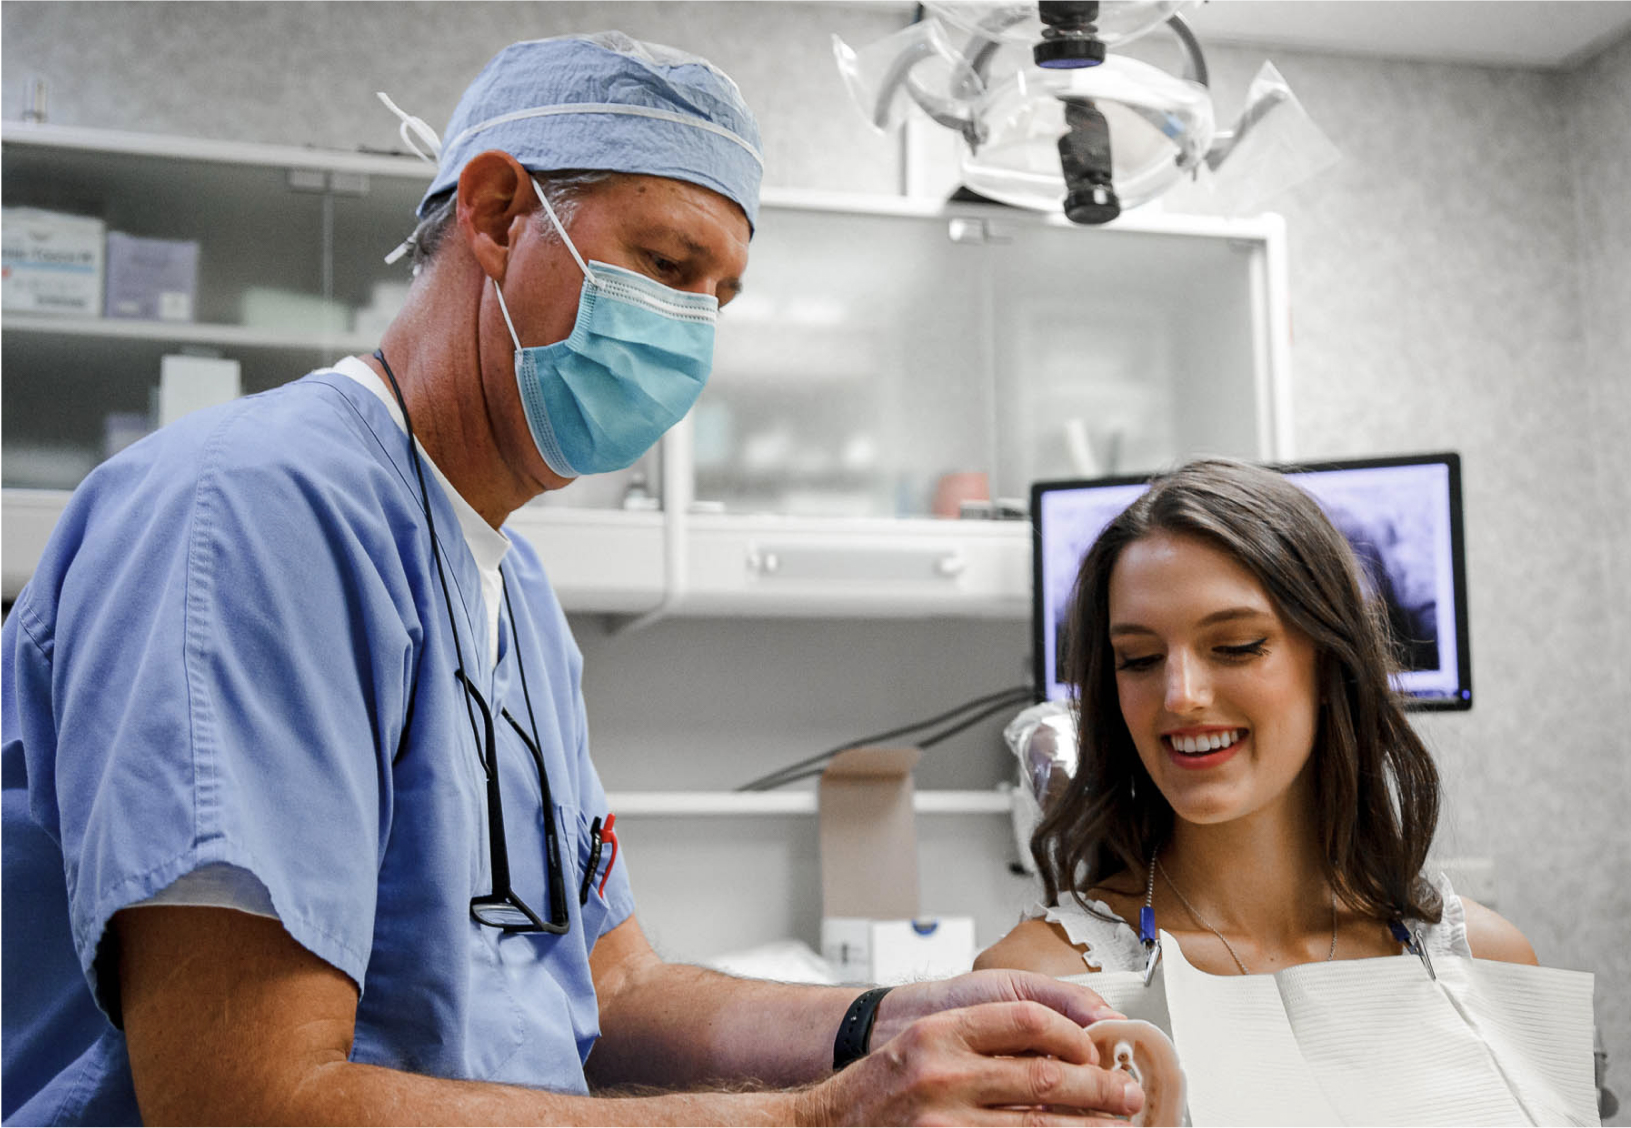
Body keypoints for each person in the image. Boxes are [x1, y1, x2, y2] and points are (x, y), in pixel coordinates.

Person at [0, 33, 1144, 1126]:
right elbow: (245, 1101)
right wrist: (822, 1118)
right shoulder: (251, 515)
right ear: (498, 214)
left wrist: (885, 1023)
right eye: (666, 265)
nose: (692, 332)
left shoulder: (518, 599)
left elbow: (617, 990)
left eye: (719, 298)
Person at [977, 458, 1536, 984]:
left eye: (1236, 646)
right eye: (1140, 659)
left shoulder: (1485, 963)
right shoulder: (1040, 983)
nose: (1181, 696)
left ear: (1330, 663)